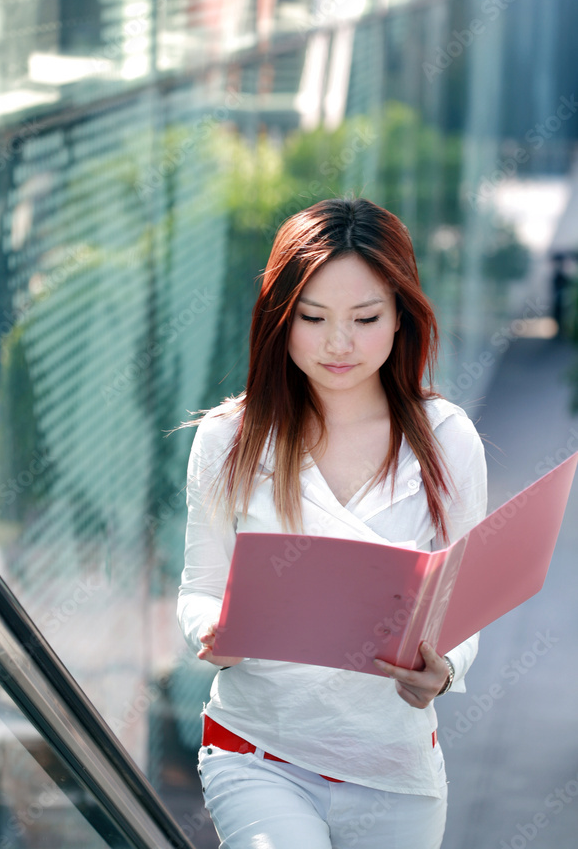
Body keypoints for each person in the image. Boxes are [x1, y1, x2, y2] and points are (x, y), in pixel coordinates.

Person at [177, 197, 487, 849]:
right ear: (278, 319)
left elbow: (463, 606)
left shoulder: (446, 440)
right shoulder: (228, 438)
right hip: (257, 753)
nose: (337, 343)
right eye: (312, 318)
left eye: (365, 318)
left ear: (401, 317)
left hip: (394, 773)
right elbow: (199, 586)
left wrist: (444, 668)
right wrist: (210, 629)